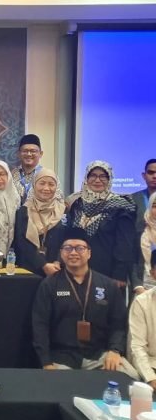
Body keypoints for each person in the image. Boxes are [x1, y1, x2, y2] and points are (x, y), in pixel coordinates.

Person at [32, 228, 136, 377]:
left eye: (80, 248)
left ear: (89, 253)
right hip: (62, 358)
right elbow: (40, 325)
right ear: (61, 253)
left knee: (130, 376)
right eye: (68, 248)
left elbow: (118, 324)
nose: (73, 252)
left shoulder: (107, 285)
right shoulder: (49, 285)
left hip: (99, 356)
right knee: (61, 387)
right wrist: (46, 362)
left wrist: (115, 350)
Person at [67, 161, 136, 288]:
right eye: (93, 175)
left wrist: (119, 274)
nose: (97, 180)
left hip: (107, 272)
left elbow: (125, 244)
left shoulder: (121, 206)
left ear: (109, 179)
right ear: (86, 178)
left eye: (103, 176)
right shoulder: (75, 203)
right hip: (75, 269)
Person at [14, 170, 67, 277]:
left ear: (56, 187)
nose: (46, 188)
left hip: (57, 270)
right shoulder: (24, 211)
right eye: (42, 183)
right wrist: (43, 264)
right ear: (34, 185)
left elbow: (66, 240)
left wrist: (58, 261)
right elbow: (21, 242)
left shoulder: (63, 210)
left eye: (51, 184)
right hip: (28, 269)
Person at [130, 159, 156, 290]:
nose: (155, 176)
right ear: (144, 175)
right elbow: (130, 248)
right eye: (151, 172)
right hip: (141, 270)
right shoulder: (132, 200)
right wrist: (137, 284)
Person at [129, 268, 156, 386]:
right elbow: (137, 347)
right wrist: (151, 379)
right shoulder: (142, 302)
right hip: (152, 367)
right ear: (153, 273)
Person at [11, 134, 44, 204]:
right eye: (25, 151)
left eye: (33, 151)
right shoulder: (11, 175)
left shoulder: (47, 175)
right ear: (18, 154)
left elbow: (57, 199)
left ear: (41, 154)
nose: (29, 154)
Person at [137, 193, 156, 294]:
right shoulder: (141, 231)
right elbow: (134, 262)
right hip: (146, 287)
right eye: (154, 206)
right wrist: (138, 286)